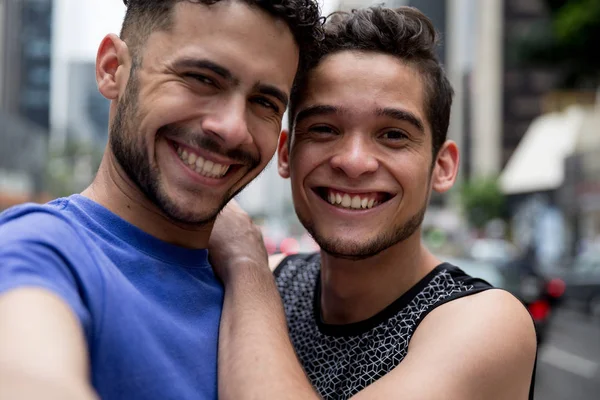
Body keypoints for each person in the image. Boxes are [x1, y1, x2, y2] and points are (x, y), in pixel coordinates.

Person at [210, 6, 537, 400]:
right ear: (285, 154)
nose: (353, 162)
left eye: (393, 135)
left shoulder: (483, 320)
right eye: (325, 129)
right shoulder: (271, 284)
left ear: (443, 167)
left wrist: (245, 262)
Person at [0, 1, 322, 399]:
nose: (233, 129)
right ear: (111, 69)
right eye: (201, 78)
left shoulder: (274, 299)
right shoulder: (39, 252)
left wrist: (247, 266)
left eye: (265, 103)